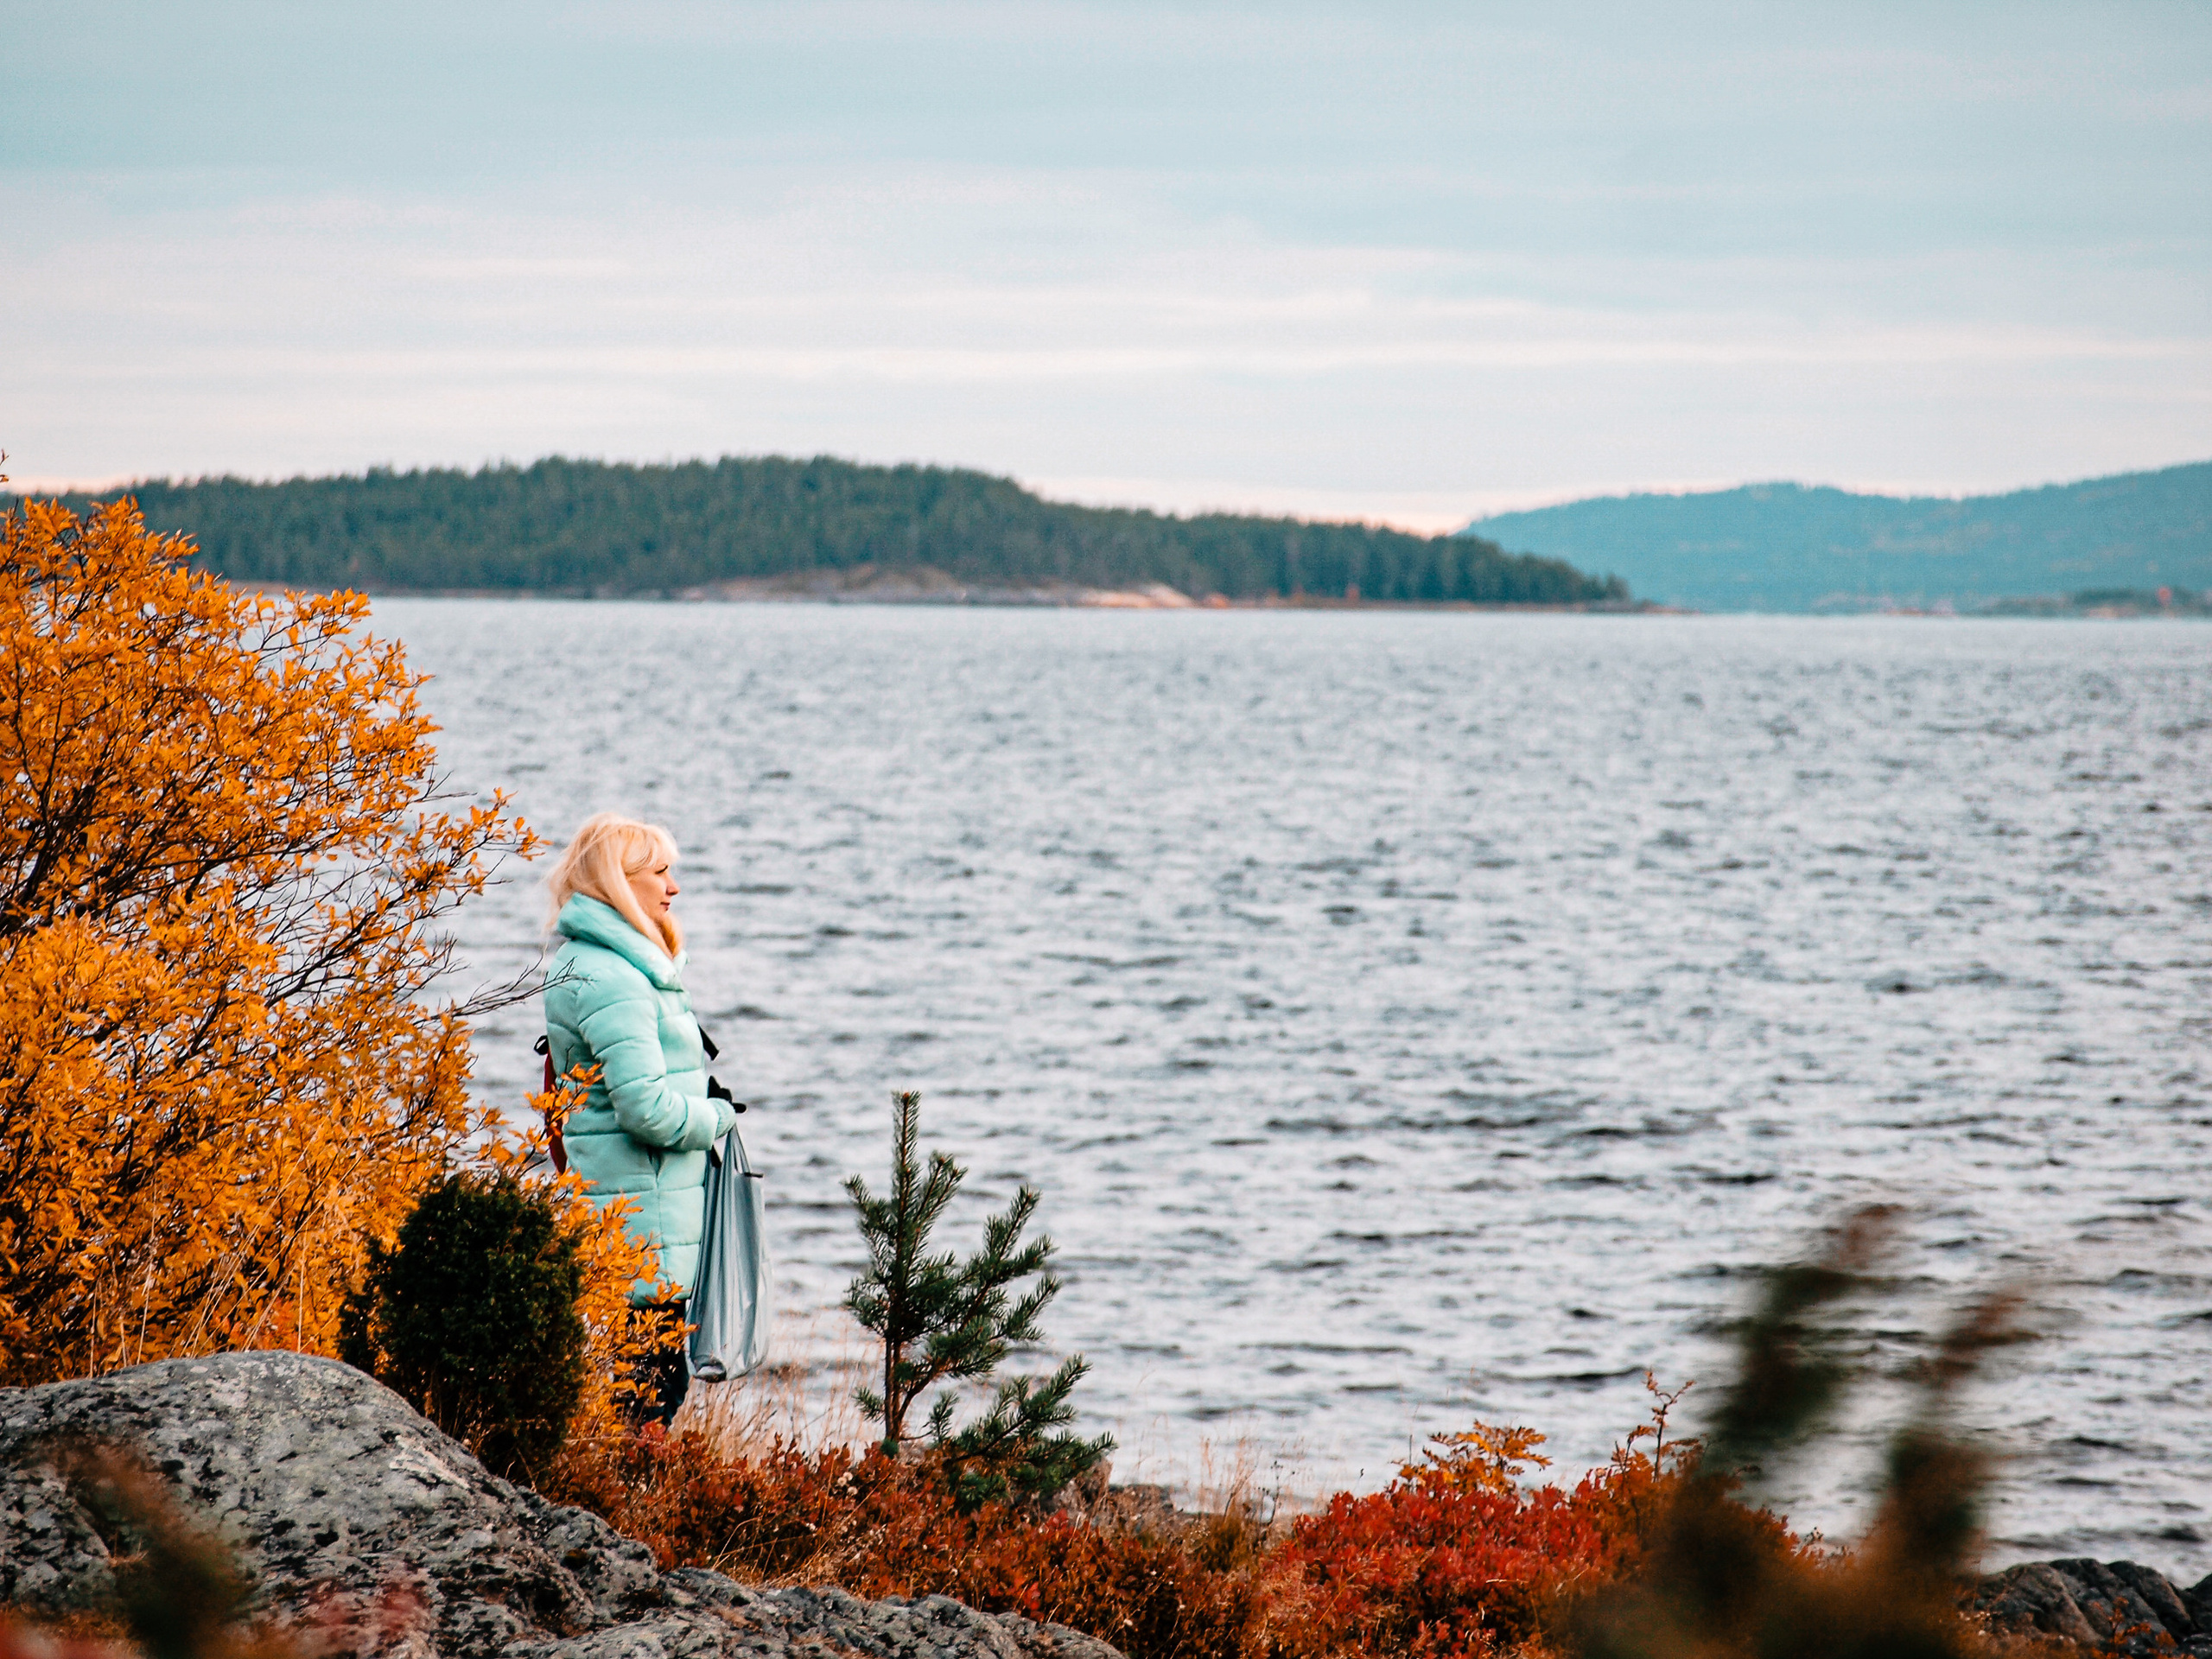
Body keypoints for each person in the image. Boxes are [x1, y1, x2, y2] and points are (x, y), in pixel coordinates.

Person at [543, 812, 739, 1427]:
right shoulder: (614, 978)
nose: (673, 886)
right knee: (650, 1396)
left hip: (633, 1217)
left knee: (642, 1388)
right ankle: (630, 1487)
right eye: (659, 872)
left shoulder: (597, 963)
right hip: (644, 1225)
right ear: (619, 882)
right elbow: (645, 1109)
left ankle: (620, 1479)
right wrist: (717, 1116)